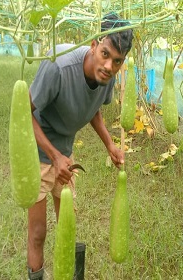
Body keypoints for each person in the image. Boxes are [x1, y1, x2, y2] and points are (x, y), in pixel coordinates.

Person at [26, 13, 134, 280]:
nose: (109, 66)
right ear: (95, 43)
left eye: (117, 61)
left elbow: (95, 109)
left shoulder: (106, 77)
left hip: (66, 155)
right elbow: (22, 115)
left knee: (67, 226)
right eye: (105, 54)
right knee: (39, 231)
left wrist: (109, 144)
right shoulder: (58, 66)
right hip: (38, 155)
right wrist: (54, 155)